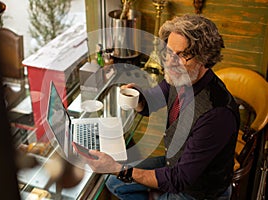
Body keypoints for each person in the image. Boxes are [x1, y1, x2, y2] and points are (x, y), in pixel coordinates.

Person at [82, 14, 240, 199]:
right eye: (169, 52)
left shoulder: (217, 114)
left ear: (204, 58)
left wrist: (119, 168)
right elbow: (154, 99)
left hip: (198, 191)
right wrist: (139, 97)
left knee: (118, 175)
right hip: (174, 162)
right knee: (114, 183)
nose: (170, 62)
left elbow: (179, 180)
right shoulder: (179, 78)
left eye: (183, 55)